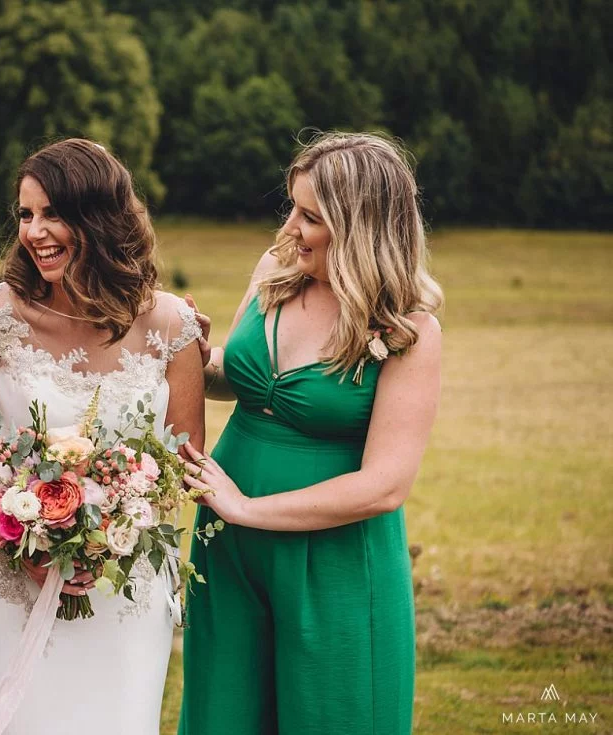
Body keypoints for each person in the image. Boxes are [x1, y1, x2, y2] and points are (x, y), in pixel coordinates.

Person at [178, 131, 443, 734]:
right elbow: (238, 379)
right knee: (225, 717)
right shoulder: (278, 270)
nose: (290, 226)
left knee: (332, 716)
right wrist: (197, 353)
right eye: (292, 207)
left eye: (311, 216)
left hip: (333, 561)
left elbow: (384, 486)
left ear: (360, 229)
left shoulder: (408, 331)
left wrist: (248, 506)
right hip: (228, 547)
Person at [0, 138, 205, 734]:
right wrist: (24, 534)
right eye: (25, 215)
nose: (34, 232)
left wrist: (109, 530)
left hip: (121, 583)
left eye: (53, 213)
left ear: (102, 217)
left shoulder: (173, 326)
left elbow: (184, 462)